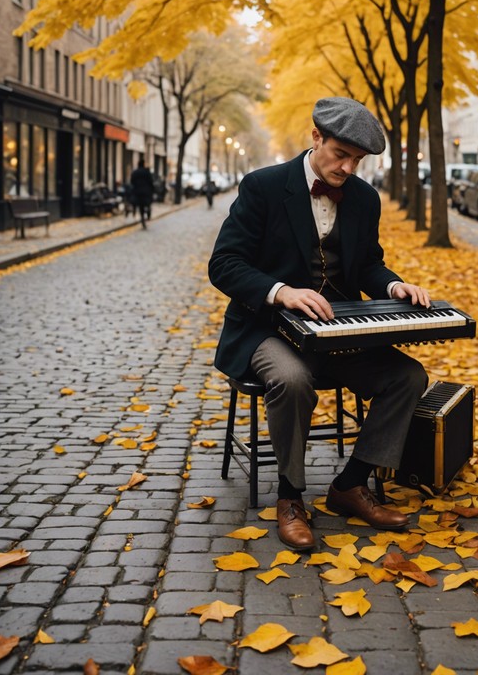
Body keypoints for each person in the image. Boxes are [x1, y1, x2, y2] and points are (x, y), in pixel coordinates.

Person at [208, 97, 430, 551]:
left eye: (358, 160)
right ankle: (290, 497)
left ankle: (351, 484)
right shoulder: (263, 186)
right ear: (316, 139)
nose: (349, 168)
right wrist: (281, 291)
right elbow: (224, 264)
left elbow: (368, 264)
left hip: (337, 333)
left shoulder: (365, 199)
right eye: (340, 155)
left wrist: (393, 287)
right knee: (292, 380)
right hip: (267, 327)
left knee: (408, 377)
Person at [130, 161, 155, 229]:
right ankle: (148, 213)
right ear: (143, 164)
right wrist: (152, 190)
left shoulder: (135, 172)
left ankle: (142, 219)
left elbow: (131, 182)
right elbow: (151, 181)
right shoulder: (147, 172)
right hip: (146, 192)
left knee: (141, 207)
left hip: (138, 192)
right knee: (148, 203)